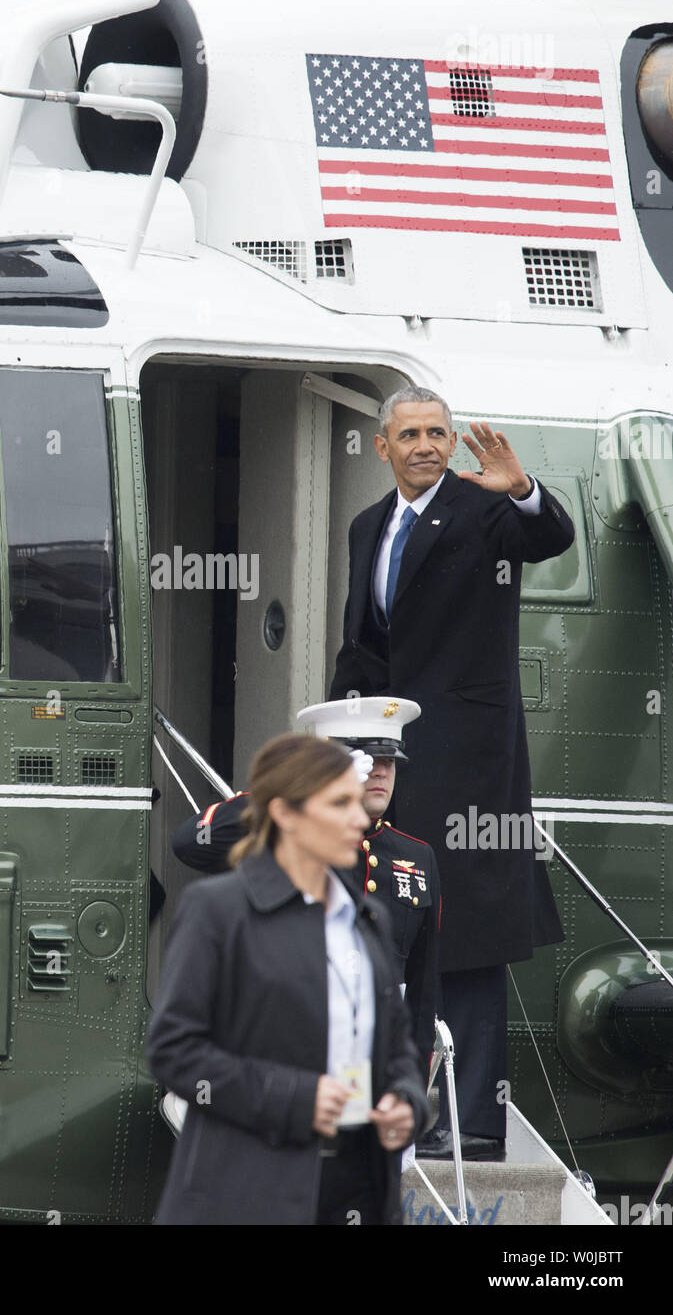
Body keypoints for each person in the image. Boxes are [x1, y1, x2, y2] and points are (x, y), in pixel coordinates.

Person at [328, 385, 574, 1159]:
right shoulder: (367, 526)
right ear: (384, 447)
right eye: (411, 435)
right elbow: (364, 642)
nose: (427, 445)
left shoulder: (481, 508)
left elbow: (551, 539)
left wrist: (525, 491)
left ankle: (471, 1125)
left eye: (437, 432)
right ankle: (391, 1107)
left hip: (468, 765)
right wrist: (338, 734)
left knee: (464, 931)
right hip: (389, 760)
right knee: (390, 922)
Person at [147, 732, 427, 1225]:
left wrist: (406, 1101)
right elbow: (174, 1053)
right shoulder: (219, 912)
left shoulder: (369, 921)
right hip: (247, 1190)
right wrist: (294, 1097)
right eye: (339, 803)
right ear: (286, 815)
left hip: (357, 1192)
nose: (359, 818)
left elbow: (399, 1045)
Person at [171, 696, 439, 1082]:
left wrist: (412, 1080)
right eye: (369, 759)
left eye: (390, 761)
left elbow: (422, 982)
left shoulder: (418, 856)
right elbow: (191, 842)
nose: (382, 771)